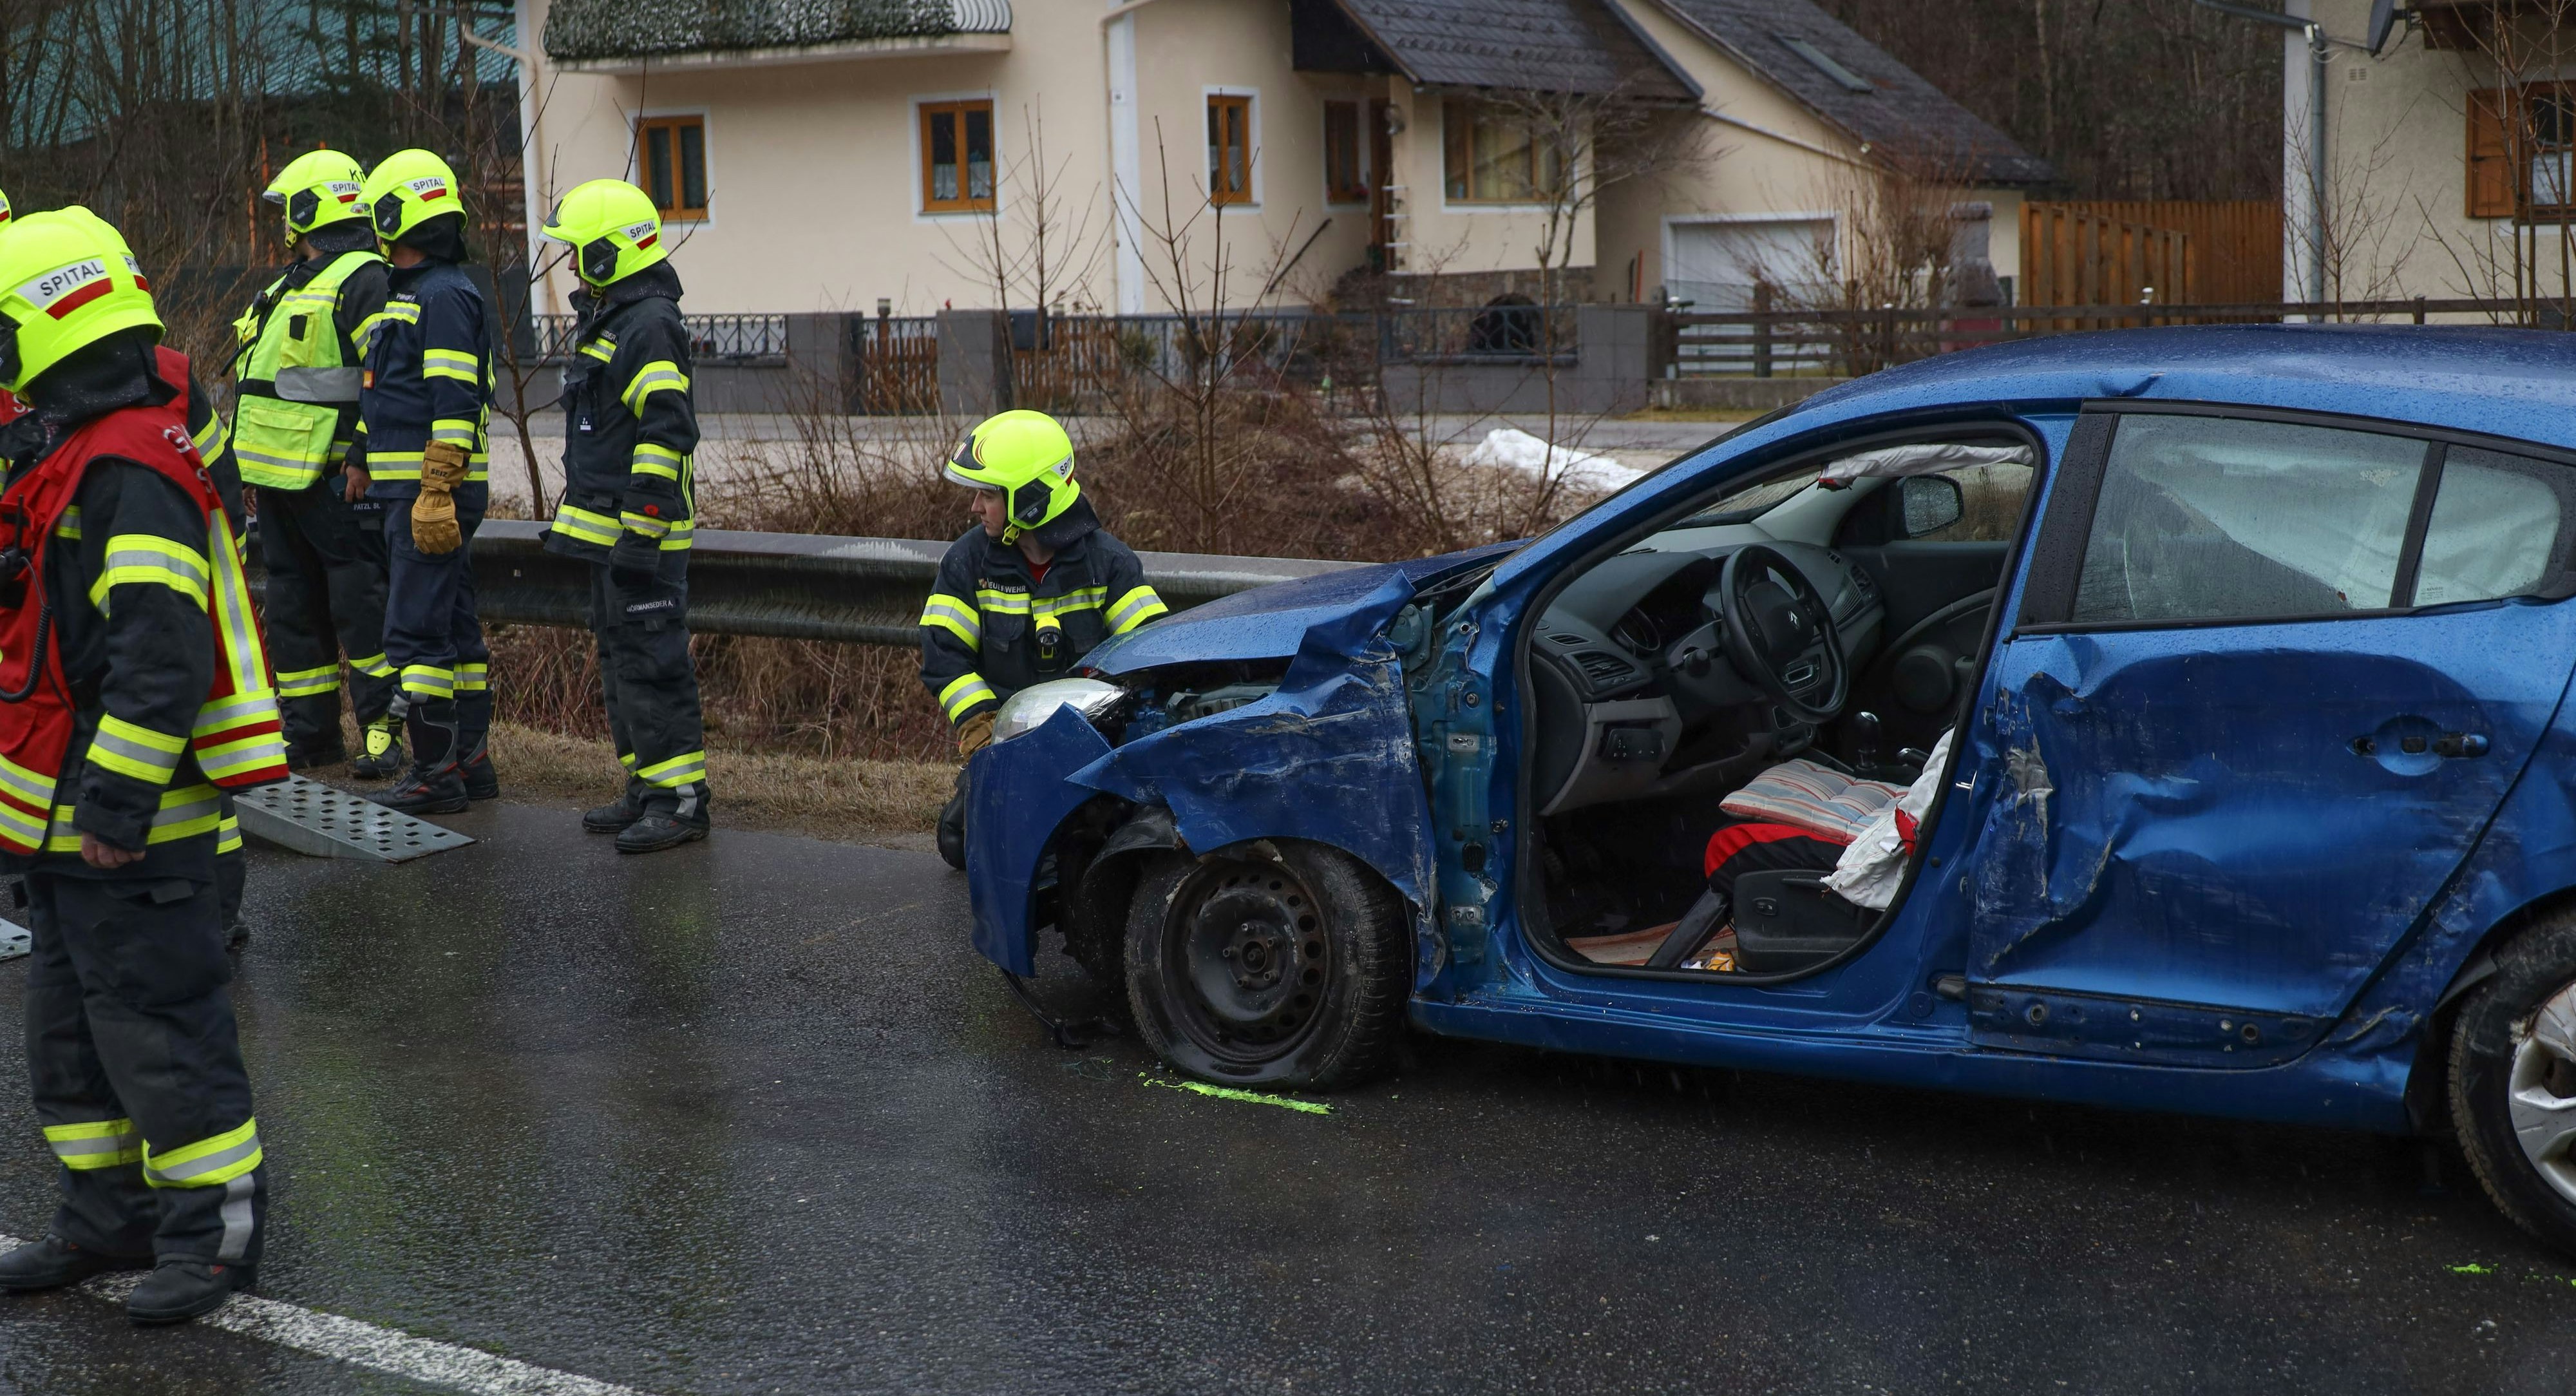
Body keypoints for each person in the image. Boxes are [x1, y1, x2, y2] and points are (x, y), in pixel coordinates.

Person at [0, 207, 289, 1323]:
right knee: (72, 1038)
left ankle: (214, 1236)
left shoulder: (128, 464)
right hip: (67, 820)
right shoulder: (72, 447)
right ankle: (105, 1216)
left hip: (135, 821)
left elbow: (162, 653)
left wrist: (116, 802)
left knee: (163, 1032)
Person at [536, 179, 710, 852]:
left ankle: (680, 802)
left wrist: (643, 526)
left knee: (653, 665)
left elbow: (665, 431)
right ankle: (647, 787)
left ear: (610, 254)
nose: (572, 265)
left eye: (579, 252)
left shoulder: (649, 324)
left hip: (643, 537)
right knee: (622, 663)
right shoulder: (616, 319)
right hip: (612, 535)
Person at [918, 410, 1167, 869]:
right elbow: (943, 657)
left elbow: (1153, 654)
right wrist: (982, 732)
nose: (975, 507)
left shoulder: (1110, 564)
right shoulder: (967, 564)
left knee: (1105, 852)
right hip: (1007, 745)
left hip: (1094, 747)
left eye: (988, 494)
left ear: (1030, 499)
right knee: (962, 843)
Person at [231, 149, 401, 778]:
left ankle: (382, 732)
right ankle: (311, 736)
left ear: (310, 209)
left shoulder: (365, 277)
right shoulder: (288, 284)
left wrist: (362, 454)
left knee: (361, 608)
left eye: (287, 209)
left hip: (336, 482)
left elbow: (385, 374)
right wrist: (245, 470)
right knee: (294, 610)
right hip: (279, 482)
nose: (283, 222)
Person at [355, 149, 496, 815]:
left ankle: (434, 773)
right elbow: (391, 396)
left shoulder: (440, 296)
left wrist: (437, 488)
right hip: (412, 494)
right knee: (454, 628)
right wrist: (361, 455)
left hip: (429, 498)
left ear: (395, 217)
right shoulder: (410, 294)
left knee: (414, 633)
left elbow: (454, 399)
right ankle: (470, 763)